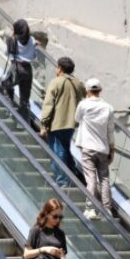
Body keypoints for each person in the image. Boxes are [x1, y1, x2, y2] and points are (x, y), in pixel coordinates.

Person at [39, 57, 86, 187]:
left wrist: (44, 123)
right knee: (65, 148)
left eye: (57, 67)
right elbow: (86, 94)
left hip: (57, 123)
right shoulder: (77, 83)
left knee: (57, 152)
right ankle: (72, 172)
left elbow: (48, 104)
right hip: (71, 124)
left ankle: (62, 181)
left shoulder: (56, 82)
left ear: (59, 68)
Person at [74, 78, 115, 220]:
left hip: (88, 147)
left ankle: (90, 208)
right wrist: (112, 149)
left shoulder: (83, 105)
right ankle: (107, 209)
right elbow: (110, 130)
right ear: (100, 91)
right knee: (104, 178)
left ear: (87, 90)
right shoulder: (108, 107)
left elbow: (77, 119)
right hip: (103, 148)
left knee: (91, 178)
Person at [2, 19, 37, 120]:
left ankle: (7, 111)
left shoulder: (12, 40)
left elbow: (8, 54)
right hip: (28, 70)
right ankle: (23, 123)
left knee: (7, 87)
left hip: (16, 68)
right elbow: (34, 55)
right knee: (24, 99)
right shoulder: (31, 40)